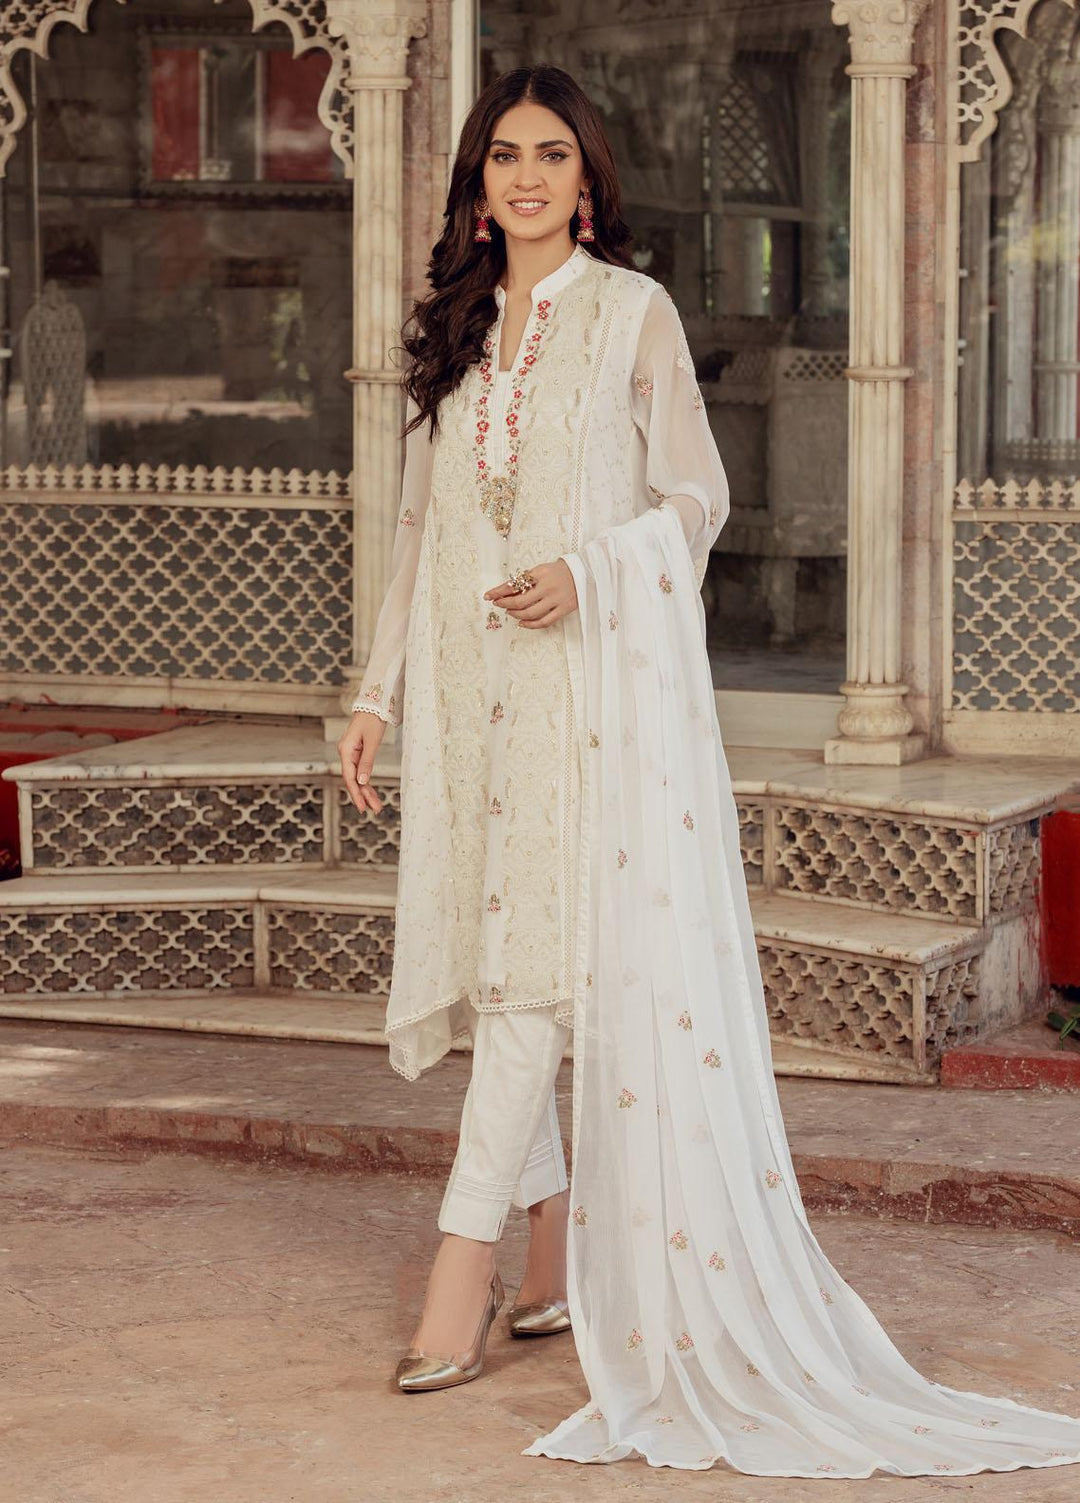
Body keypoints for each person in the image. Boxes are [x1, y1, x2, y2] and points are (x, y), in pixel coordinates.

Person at [337, 64, 1080, 1479]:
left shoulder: (631, 313)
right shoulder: (458, 330)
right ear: (478, 183)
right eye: (506, 156)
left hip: (583, 696)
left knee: (529, 979)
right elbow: (421, 531)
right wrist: (376, 696)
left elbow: (698, 499)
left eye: (554, 156)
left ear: (590, 181)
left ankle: (459, 1270)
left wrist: (589, 571)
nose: (528, 177)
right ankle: (552, 1260)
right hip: (467, 703)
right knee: (501, 964)